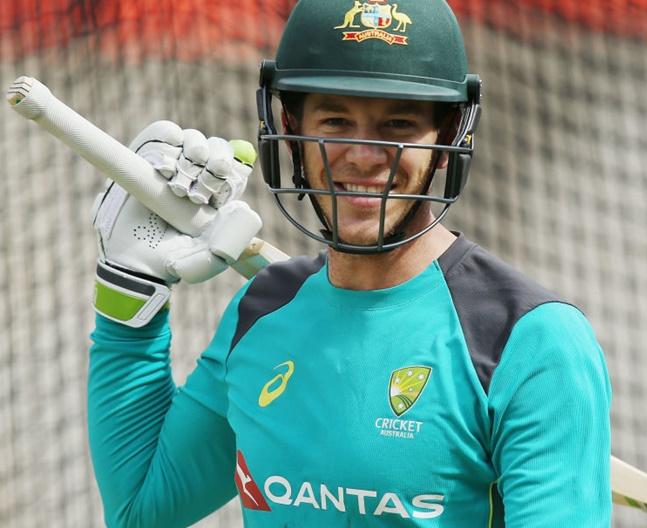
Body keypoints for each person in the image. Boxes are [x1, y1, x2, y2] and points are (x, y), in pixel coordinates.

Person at [88, 0, 612, 526]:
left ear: (448, 136)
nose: (363, 155)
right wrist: (129, 295)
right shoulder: (264, 308)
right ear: (290, 126)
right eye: (336, 119)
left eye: (398, 124)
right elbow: (140, 510)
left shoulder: (527, 341)